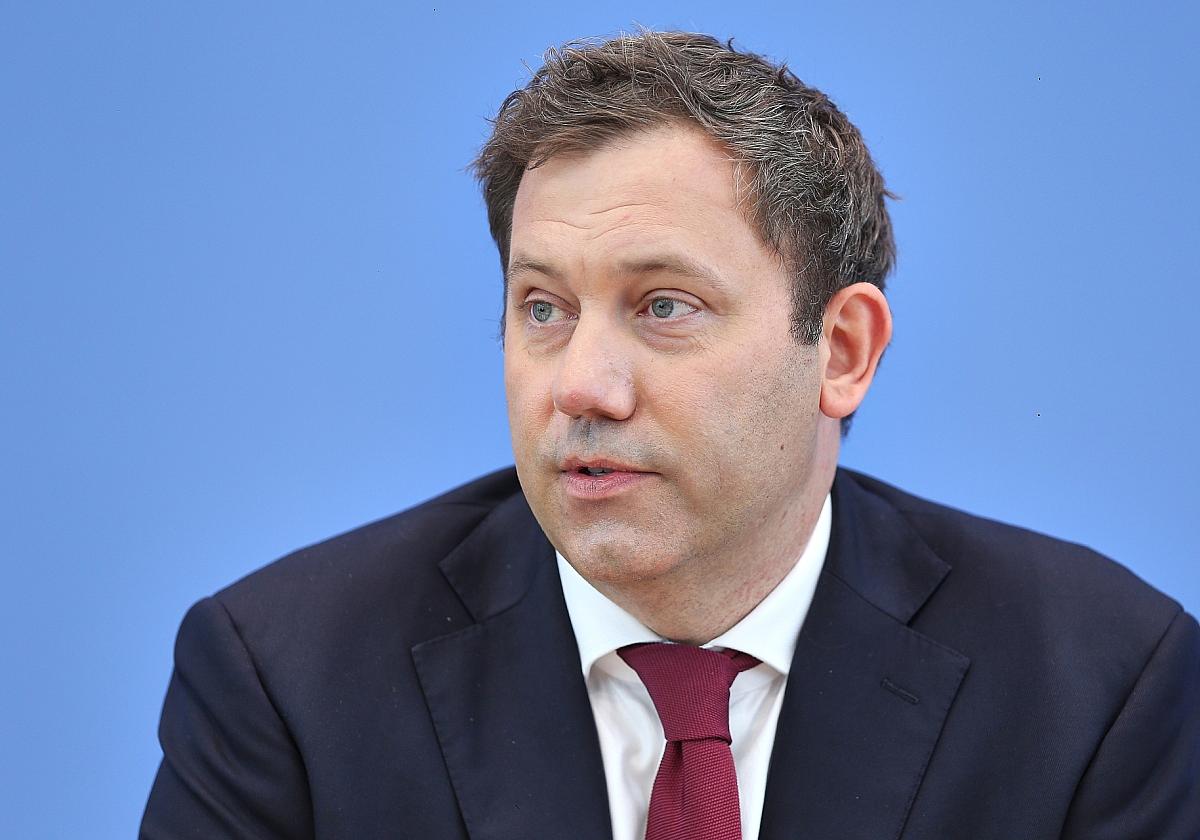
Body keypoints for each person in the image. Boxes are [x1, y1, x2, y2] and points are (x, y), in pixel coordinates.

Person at [140, 31, 1200, 839]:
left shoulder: (1097, 684)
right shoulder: (287, 676)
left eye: (664, 306)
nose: (582, 386)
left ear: (841, 351)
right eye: (543, 308)